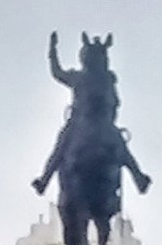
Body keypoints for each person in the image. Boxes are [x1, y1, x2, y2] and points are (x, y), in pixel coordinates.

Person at [32, 31, 150, 196]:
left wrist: (52, 51)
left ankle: (44, 181)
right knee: (120, 146)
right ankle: (139, 178)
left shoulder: (81, 77)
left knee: (61, 147)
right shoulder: (106, 79)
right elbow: (116, 102)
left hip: (80, 123)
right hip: (102, 124)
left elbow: (57, 72)